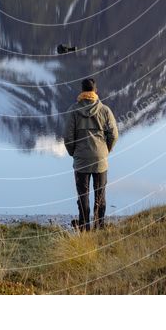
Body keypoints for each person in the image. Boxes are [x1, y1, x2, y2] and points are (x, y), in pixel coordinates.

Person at [63, 77, 119, 231]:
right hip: (100, 159)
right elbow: (114, 135)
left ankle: (84, 227)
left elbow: (68, 137)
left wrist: (73, 153)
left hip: (81, 160)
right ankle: (99, 226)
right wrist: (105, 151)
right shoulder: (105, 110)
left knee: (83, 195)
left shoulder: (74, 111)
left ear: (82, 92)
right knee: (100, 194)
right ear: (96, 91)